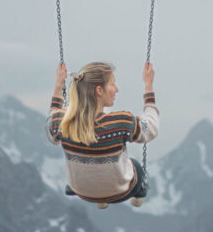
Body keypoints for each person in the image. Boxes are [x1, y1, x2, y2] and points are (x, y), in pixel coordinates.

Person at [46, 60, 159, 209]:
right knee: (136, 166)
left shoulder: (61, 122)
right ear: (99, 90)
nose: (117, 89)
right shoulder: (121, 122)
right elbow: (150, 129)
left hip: (81, 191)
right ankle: (137, 197)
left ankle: (99, 198)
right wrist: (149, 88)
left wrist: (58, 86)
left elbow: (51, 121)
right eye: (112, 84)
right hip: (120, 192)